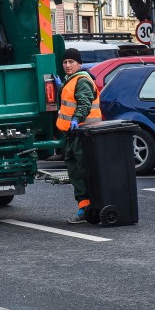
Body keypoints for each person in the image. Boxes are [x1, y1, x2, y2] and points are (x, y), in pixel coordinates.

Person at [55, 47, 102, 224]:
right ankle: (84, 208)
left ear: (79, 64)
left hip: (84, 134)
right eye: (65, 62)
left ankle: (88, 209)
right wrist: (61, 87)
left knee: (83, 174)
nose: (67, 65)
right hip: (73, 135)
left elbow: (84, 103)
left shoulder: (82, 80)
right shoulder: (72, 80)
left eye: (71, 62)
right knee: (76, 174)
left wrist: (76, 119)